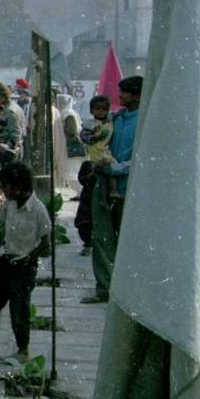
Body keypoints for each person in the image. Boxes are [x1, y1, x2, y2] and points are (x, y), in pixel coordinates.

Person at [0, 162, 51, 362]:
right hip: (6, 259)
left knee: (19, 308)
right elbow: (3, 227)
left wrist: (29, 257)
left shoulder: (38, 210)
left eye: (5, 187)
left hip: (24, 264)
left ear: (18, 187)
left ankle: (23, 349)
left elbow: (46, 242)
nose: (2, 191)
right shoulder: (10, 205)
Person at [83, 76, 141, 304]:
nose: (121, 96)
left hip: (127, 188)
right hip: (104, 184)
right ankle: (104, 289)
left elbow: (140, 158)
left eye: (125, 93)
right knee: (102, 238)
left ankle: (127, 291)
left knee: (127, 240)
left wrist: (115, 168)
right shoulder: (115, 118)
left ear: (137, 95)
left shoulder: (144, 121)